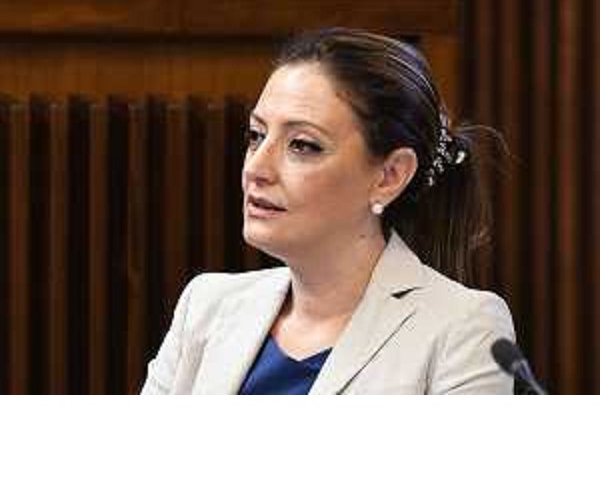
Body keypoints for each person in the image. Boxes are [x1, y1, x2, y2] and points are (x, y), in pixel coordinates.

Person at [141, 27, 515, 395]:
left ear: (390, 176)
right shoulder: (205, 306)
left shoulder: (464, 327)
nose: (256, 168)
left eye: (302, 145)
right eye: (256, 136)